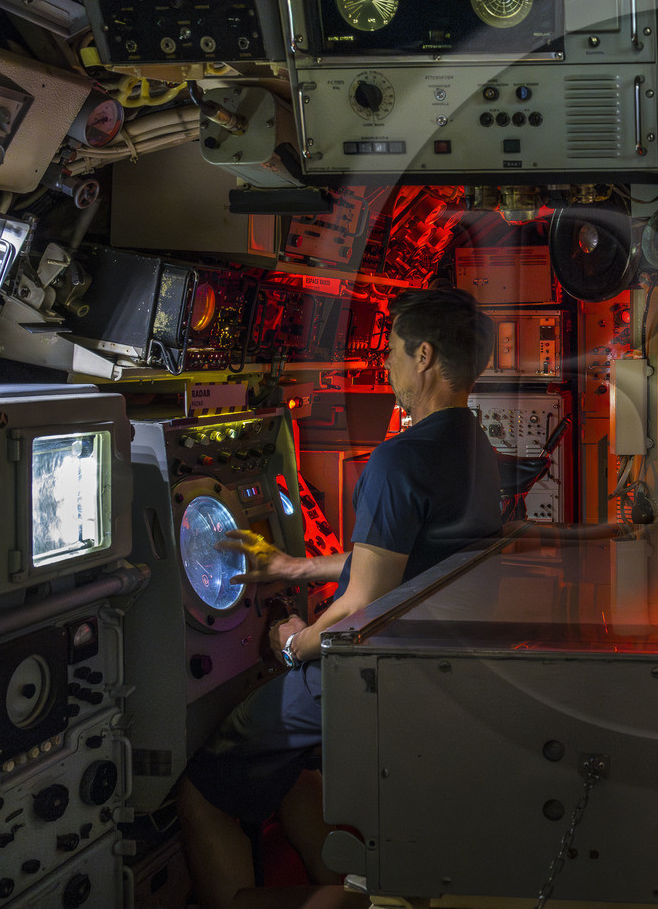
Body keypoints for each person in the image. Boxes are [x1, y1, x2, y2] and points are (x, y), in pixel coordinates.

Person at [175, 288, 502, 909]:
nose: (388, 365)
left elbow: (360, 606)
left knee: (202, 793)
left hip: (375, 674)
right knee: (292, 768)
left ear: (424, 356)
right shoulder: (472, 447)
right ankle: (338, 891)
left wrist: (292, 644)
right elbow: (406, 557)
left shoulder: (398, 460)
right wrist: (294, 565)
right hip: (435, 665)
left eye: (392, 351)